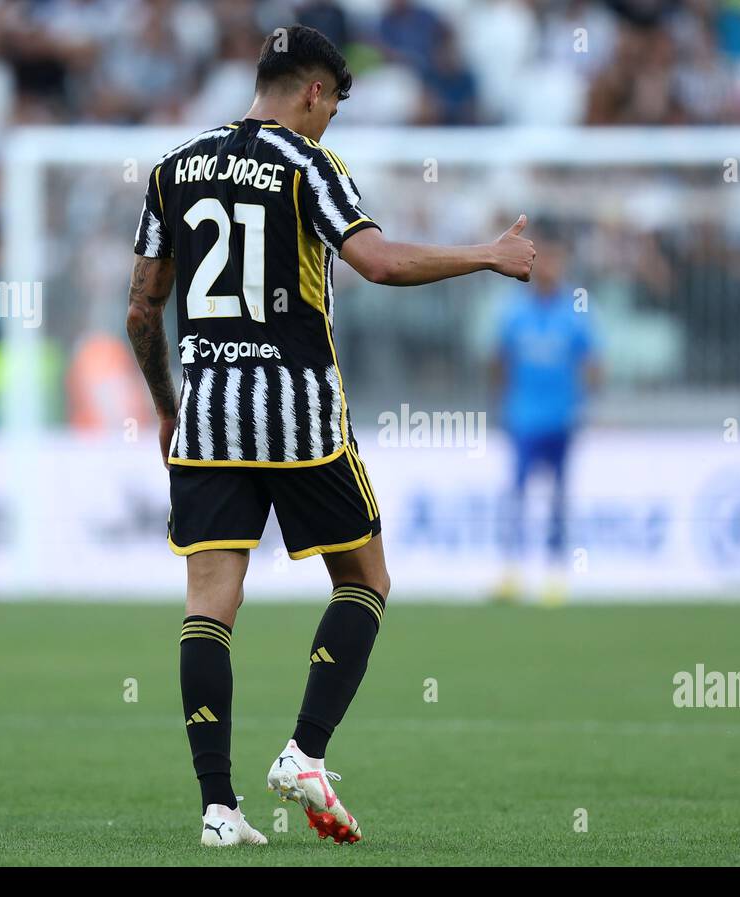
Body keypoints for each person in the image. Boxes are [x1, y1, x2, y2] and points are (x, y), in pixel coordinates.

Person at [125, 25, 535, 847]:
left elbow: (142, 306)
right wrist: (487, 256)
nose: (329, 125)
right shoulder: (307, 163)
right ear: (314, 92)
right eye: (333, 108)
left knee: (209, 608)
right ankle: (305, 753)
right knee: (365, 582)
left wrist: (169, 402)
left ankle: (217, 807)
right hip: (298, 414)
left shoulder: (175, 168)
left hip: (207, 415)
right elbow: (376, 264)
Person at [491, 227, 599, 606]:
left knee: (557, 496)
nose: (550, 268)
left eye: (556, 260)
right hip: (522, 417)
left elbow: (592, 362)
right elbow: (499, 360)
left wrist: (586, 402)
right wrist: (503, 401)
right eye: (544, 261)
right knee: (517, 493)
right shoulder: (515, 310)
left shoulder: (576, 309)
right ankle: (511, 570)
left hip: (562, 418)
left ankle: (555, 572)